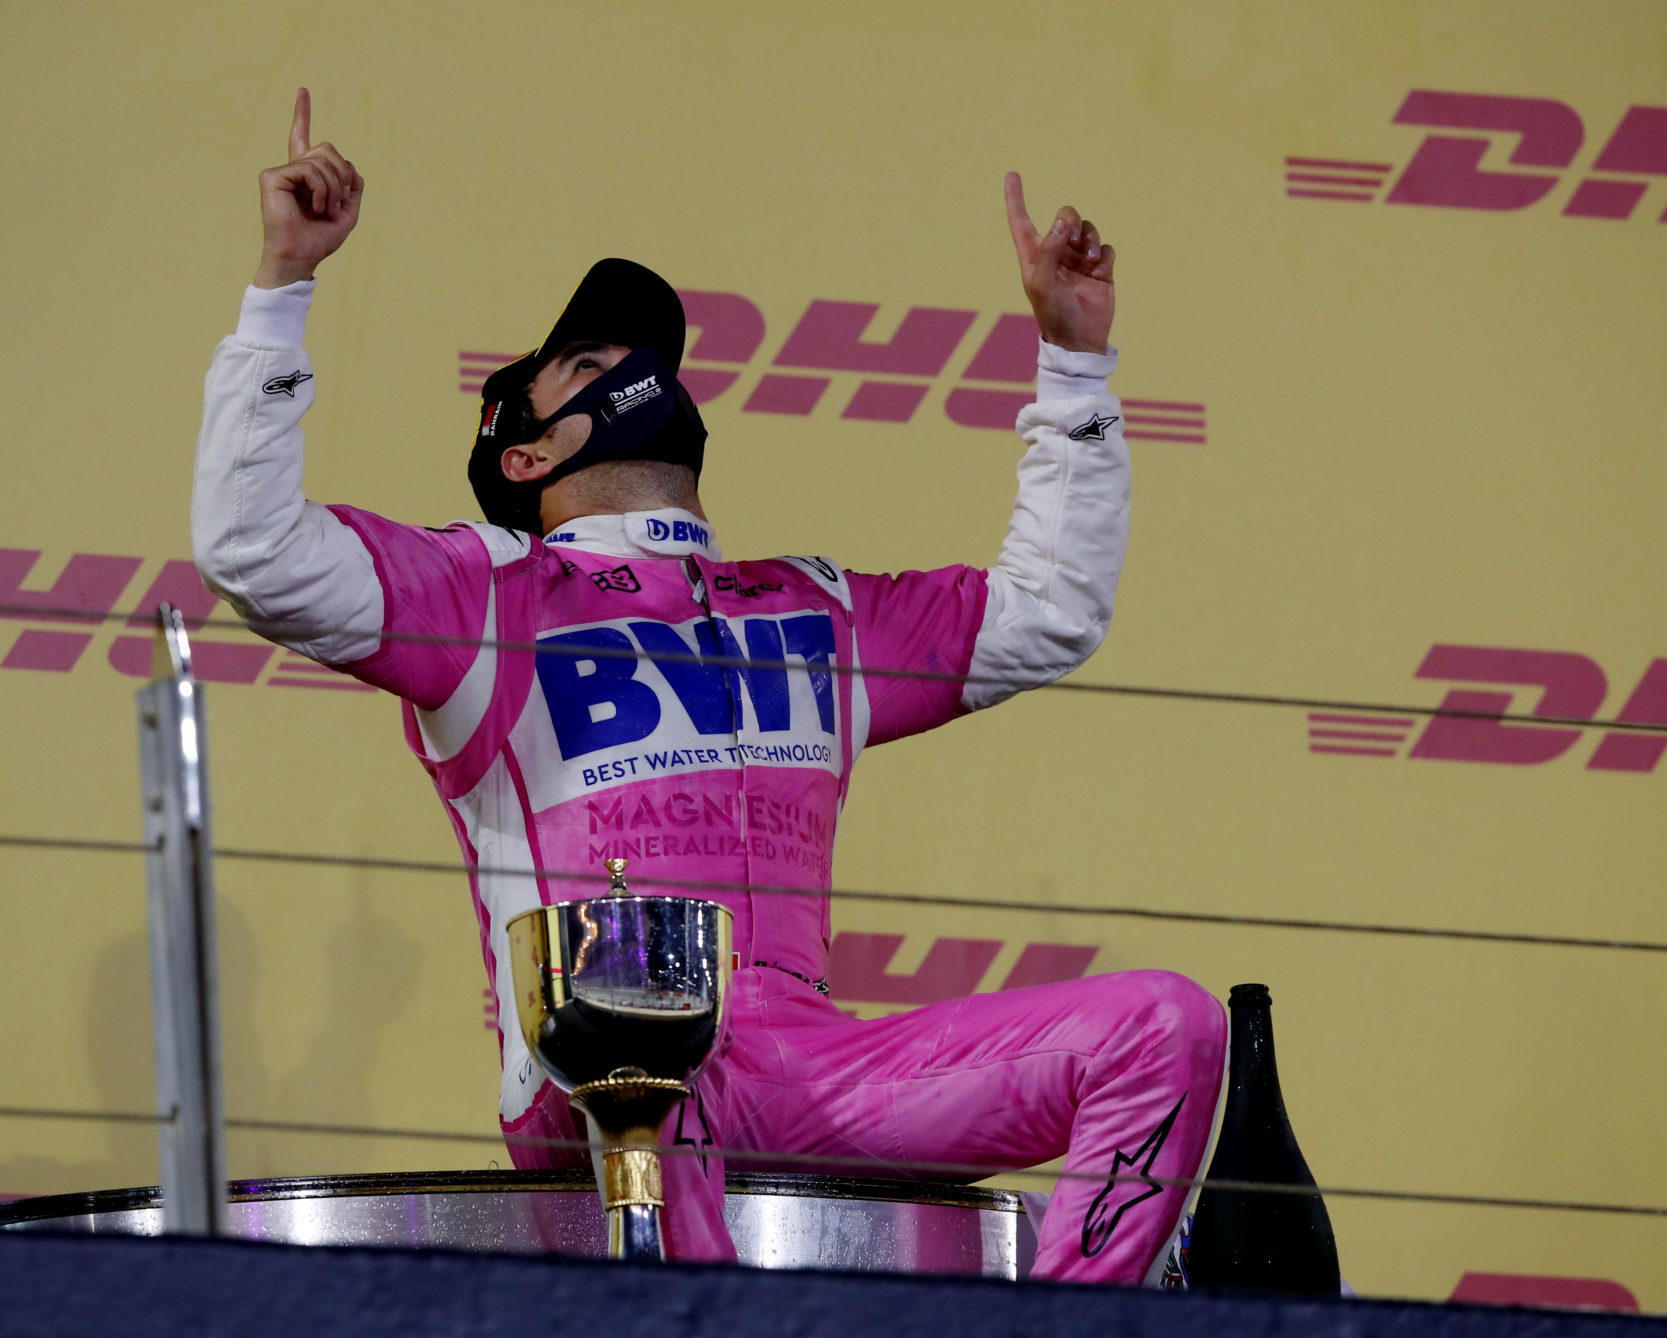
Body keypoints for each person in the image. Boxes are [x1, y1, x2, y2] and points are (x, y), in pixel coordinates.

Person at [194, 88, 1225, 1284]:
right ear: (525, 455)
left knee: (1168, 1027)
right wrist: (282, 287)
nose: (634, 366)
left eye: (641, 355)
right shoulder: (487, 594)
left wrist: (1075, 363)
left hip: (808, 1071)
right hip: (597, 1068)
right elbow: (254, 550)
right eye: (589, 361)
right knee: (637, 1015)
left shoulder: (810, 606)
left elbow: (1047, 612)